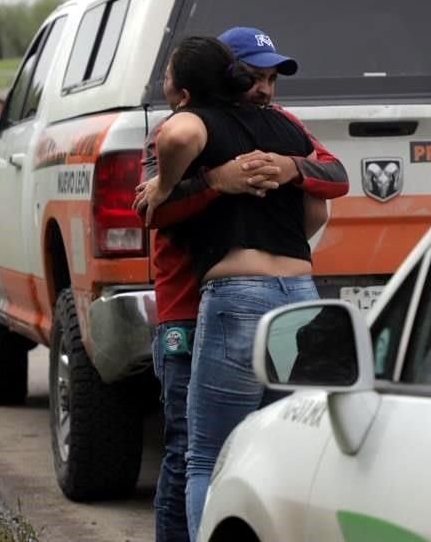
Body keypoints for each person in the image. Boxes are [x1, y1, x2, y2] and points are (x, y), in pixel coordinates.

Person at [134, 28, 347, 542]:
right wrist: (215, 182)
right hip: (216, 306)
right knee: (209, 449)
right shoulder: (188, 130)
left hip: (233, 299)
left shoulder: (276, 128)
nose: (265, 89)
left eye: (272, 79)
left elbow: (330, 177)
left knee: (212, 453)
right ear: (229, 75)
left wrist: (290, 170)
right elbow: (154, 212)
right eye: (254, 77)